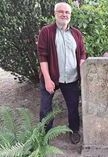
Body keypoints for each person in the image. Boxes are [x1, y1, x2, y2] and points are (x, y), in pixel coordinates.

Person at [37, 2, 86, 144]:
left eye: (67, 12)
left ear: (70, 15)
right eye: (61, 12)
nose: (64, 14)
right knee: (45, 108)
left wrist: (82, 62)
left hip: (71, 78)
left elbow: (82, 52)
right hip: (51, 77)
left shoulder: (76, 33)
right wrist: (47, 79)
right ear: (55, 14)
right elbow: (43, 56)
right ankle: (45, 134)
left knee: (72, 107)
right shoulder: (46, 32)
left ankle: (74, 131)